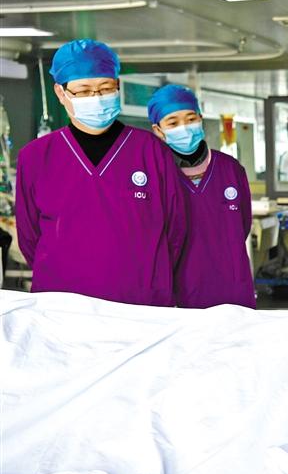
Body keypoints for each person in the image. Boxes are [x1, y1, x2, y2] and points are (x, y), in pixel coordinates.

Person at [15, 39, 187, 306]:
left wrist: (150, 281)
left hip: (141, 304)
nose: (96, 98)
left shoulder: (151, 151)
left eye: (105, 88)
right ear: (60, 93)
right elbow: (29, 237)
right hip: (62, 306)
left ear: (117, 86)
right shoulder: (36, 157)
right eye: (83, 91)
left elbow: (176, 229)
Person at [147, 84, 255, 309]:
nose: (184, 128)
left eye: (191, 119)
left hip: (234, 289)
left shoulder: (230, 169)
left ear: (200, 119)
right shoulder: (155, 175)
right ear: (158, 130)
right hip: (181, 294)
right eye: (173, 123)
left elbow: (243, 225)